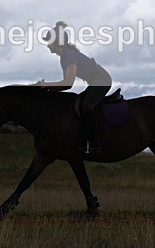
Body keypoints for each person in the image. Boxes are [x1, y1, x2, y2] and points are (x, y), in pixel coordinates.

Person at [38, 21, 112, 154]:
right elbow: (65, 85)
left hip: (102, 79)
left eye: (49, 42)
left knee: (87, 106)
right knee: (80, 105)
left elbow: (68, 83)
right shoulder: (63, 58)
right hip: (95, 80)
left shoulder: (69, 55)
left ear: (57, 42)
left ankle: (95, 144)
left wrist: (47, 85)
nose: (47, 45)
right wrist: (46, 88)